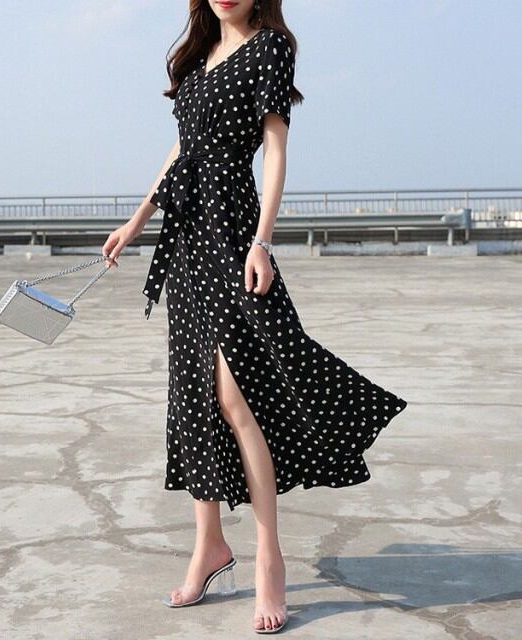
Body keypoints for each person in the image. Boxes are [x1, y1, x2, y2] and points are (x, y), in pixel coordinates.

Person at [103, 0, 408, 634]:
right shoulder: (196, 60)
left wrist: (263, 240)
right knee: (194, 397)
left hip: (232, 231)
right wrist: (136, 221)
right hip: (188, 241)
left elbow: (274, 150)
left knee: (235, 395)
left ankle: (270, 558)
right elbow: (181, 151)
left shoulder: (270, 48)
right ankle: (209, 544)